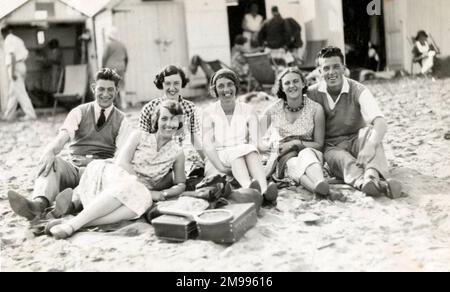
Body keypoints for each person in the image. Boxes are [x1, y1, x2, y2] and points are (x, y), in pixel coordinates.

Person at [47, 100, 186, 239]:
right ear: (156, 120)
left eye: (174, 119)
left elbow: (181, 183)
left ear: (179, 122)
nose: (169, 124)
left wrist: (164, 194)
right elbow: (122, 161)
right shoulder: (139, 136)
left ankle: (73, 222)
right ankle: (73, 221)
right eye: (164, 118)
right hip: (114, 174)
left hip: (139, 192)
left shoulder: (177, 152)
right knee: (129, 186)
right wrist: (137, 184)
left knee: (143, 202)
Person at [7, 68, 130, 220]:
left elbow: (122, 159)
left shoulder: (122, 120)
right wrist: (51, 151)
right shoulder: (79, 111)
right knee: (53, 162)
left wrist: (93, 162)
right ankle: (37, 205)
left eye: (110, 90)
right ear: (93, 88)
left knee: (100, 178)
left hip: (100, 170)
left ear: (117, 90)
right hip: (74, 168)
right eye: (101, 89)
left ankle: (67, 207)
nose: (105, 94)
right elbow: (62, 137)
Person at [307, 46, 402, 199]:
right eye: (326, 68)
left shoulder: (358, 89)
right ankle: (368, 182)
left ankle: (371, 176)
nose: (331, 72)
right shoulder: (311, 93)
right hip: (332, 146)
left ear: (344, 68)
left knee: (372, 135)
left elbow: (381, 122)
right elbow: (283, 105)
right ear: (320, 72)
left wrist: (370, 146)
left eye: (336, 67)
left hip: (356, 139)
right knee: (343, 160)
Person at [260, 68, 342, 200]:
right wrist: (269, 147)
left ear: (303, 84)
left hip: (310, 150)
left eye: (296, 81)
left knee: (306, 154)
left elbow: (319, 144)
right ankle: (319, 188)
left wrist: (295, 144)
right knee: (292, 163)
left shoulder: (315, 109)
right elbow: (256, 135)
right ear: (281, 87)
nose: (292, 86)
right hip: (285, 156)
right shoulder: (273, 109)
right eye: (287, 83)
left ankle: (319, 183)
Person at [203, 68, 277, 204]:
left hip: (243, 150)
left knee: (251, 150)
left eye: (230, 84)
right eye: (221, 86)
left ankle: (265, 190)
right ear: (215, 90)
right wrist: (220, 167)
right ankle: (248, 188)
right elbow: (208, 146)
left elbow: (256, 140)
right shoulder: (209, 112)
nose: (226, 89)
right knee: (237, 154)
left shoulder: (247, 109)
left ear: (236, 87)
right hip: (221, 152)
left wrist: (268, 147)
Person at [139, 65, 204, 174]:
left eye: (176, 83)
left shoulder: (190, 108)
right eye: (168, 83)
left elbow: (196, 140)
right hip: (157, 157)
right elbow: (142, 141)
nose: (172, 88)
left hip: (184, 158)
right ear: (162, 84)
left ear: (182, 83)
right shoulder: (149, 108)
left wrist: (207, 161)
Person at [1, 26, 37, 121]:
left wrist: (12, 71)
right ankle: (8, 115)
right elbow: (27, 54)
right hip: (21, 64)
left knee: (21, 92)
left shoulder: (8, 40)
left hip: (14, 66)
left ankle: (31, 114)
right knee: (13, 93)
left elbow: (12, 55)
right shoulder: (18, 39)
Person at [102, 27, 128, 109]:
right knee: (122, 86)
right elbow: (126, 57)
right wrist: (125, 67)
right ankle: (124, 104)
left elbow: (104, 57)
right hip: (121, 67)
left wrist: (103, 67)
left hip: (111, 68)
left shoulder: (108, 44)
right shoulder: (121, 44)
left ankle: (114, 104)